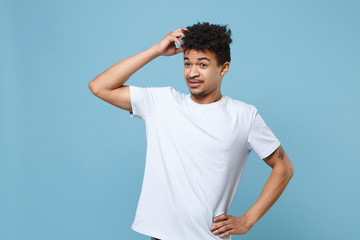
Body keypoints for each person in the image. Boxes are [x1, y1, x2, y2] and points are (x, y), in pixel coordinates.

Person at [89, 22, 294, 240]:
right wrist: (156, 51)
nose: (192, 73)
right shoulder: (162, 102)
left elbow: (283, 167)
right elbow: (100, 86)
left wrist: (248, 220)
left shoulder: (244, 116)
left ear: (223, 68)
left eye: (203, 65)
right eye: (187, 64)